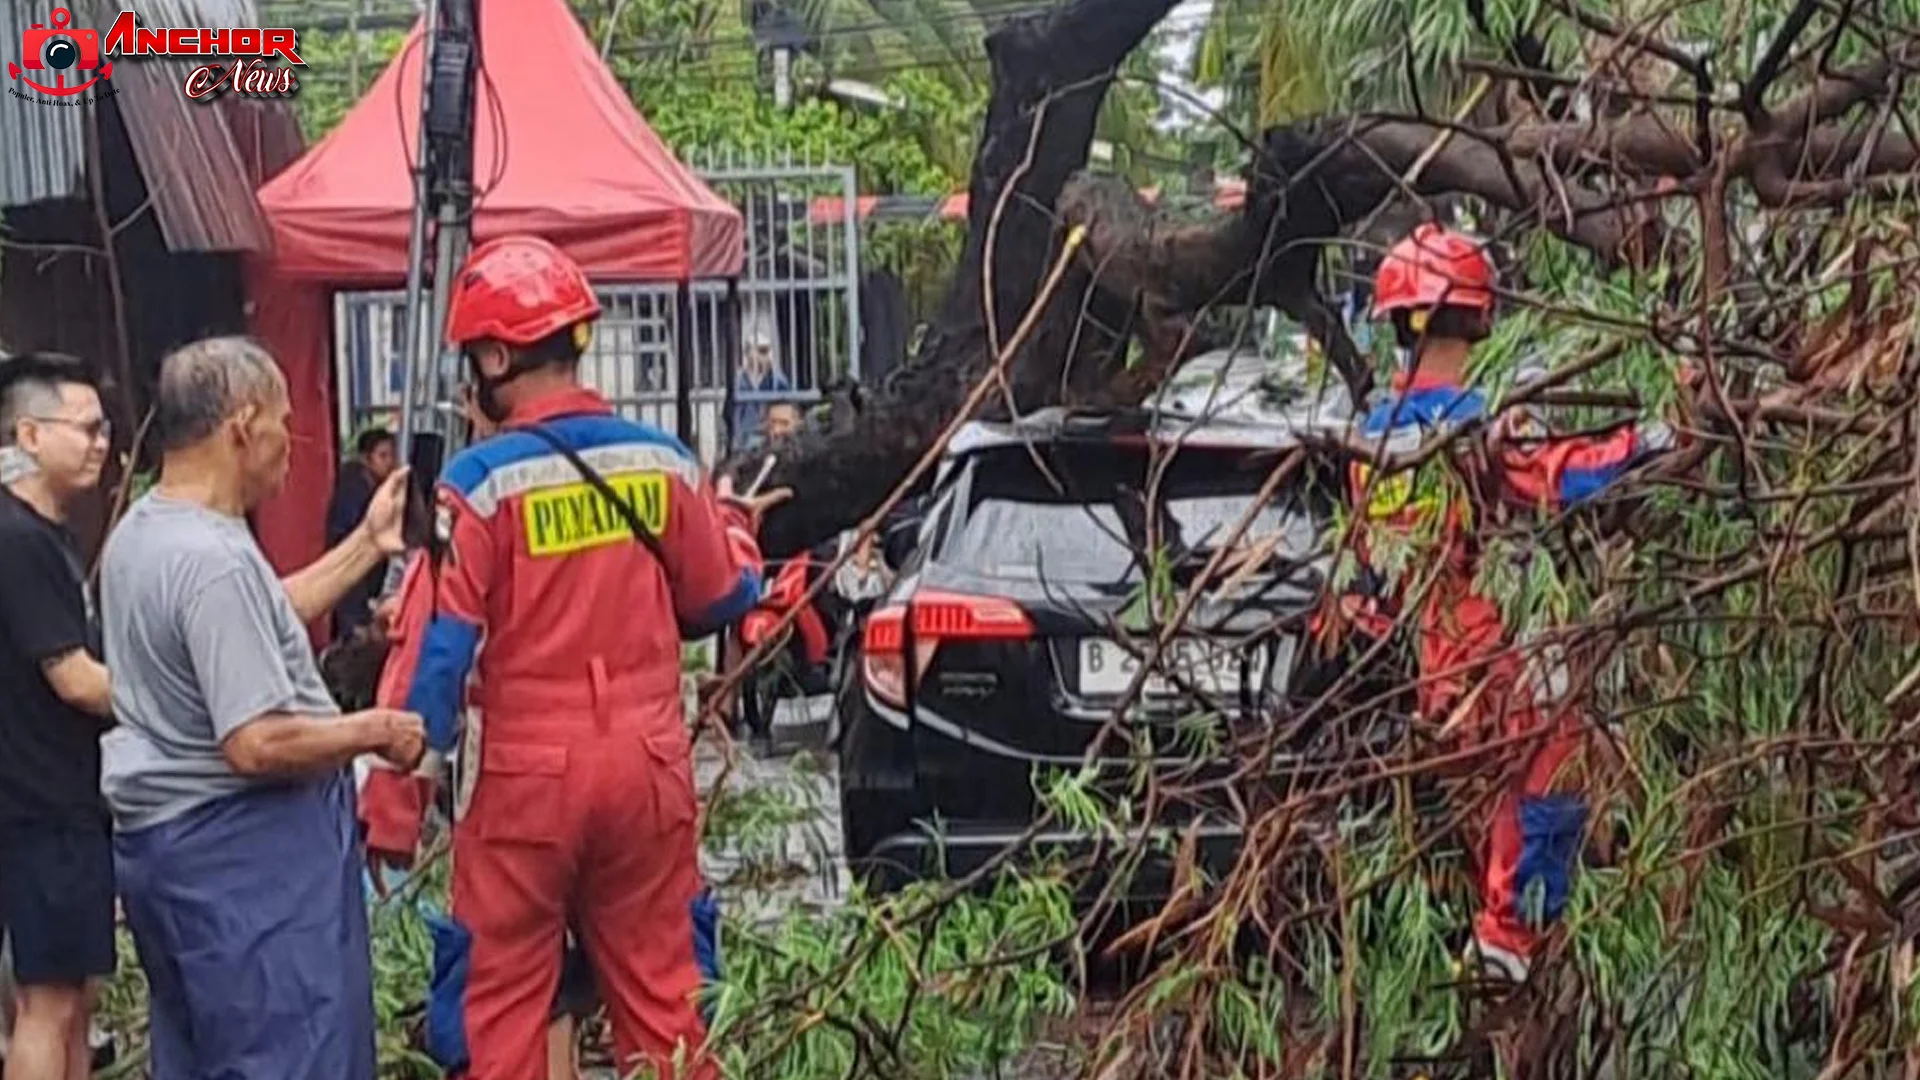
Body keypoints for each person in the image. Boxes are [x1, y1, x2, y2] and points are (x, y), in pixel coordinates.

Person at [359, 236, 785, 1080]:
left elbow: (441, 653)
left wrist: (402, 795)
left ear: (494, 355)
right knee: (668, 1000)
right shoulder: (661, 461)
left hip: (525, 781)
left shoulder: (477, 486)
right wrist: (735, 524)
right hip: (648, 768)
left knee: (499, 1003)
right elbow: (721, 600)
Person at [1331, 224, 1676, 982]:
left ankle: (1494, 942)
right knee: (1553, 782)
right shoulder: (1481, 430)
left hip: (1441, 669)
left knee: (1497, 806)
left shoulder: (1372, 443)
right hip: (1509, 659)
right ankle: (1517, 941)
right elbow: (1565, 475)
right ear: (1478, 317)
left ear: (1398, 321)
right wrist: (1650, 439)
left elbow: (1374, 566)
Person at [98, 337, 427, 1080]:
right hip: (244, 862)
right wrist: (376, 729)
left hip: (171, 853)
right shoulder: (210, 560)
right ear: (241, 424)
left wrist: (369, 544)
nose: (292, 441)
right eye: (285, 421)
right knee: (287, 1055)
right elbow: (253, 742)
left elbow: (258, 620)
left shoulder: (145, 534)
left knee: (205, 1055)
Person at [0, 354, 113, 1080]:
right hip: (39, 804)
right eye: (89, 428)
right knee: (48, 1003)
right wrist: (180, 703)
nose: (102, 442)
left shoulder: (45, 535)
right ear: (29, 434)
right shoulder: (19, 541)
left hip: (53, 798)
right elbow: (73, 677)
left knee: (71, 1000)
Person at [326, 427, 399, 639]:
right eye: (382, 456)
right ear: (366, 459)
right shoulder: (354, 490)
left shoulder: (377, 488)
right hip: (352, 577)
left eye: (392, 455)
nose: (390, 462)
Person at [731, 324, 790, 449]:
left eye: (768, 351)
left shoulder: (778, 380)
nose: (767, 356)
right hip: (742, 441)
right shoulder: (737, 380)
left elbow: (785, 412)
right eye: (762, 351)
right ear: (748, 353)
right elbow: (728, 412)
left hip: (769, 440)